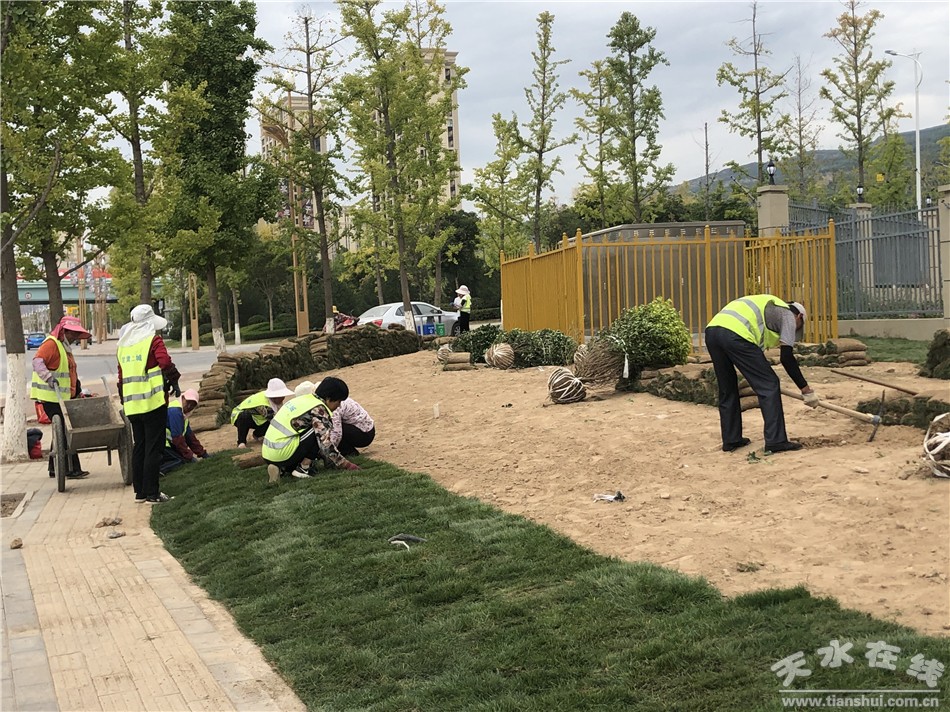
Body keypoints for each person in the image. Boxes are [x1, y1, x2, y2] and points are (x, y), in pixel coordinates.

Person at [705, 295, 819, 453]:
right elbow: (786, 358)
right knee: (769, 384)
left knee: (727, 387)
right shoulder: (788, 315)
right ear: (799, 316)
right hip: (736, 334)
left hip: (712, 332)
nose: (794, 331)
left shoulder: (767, 309)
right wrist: (805, 389)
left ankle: (731, 440)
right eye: (798, 327)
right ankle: (776, 441)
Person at [117, 304, 180, 504]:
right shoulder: (153, 341)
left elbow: (121, 377)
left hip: (132, 406)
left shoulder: (123, 346)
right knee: (154, 447)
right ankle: (153, 493)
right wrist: (174, 379)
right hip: (153, 402)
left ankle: (140, 493)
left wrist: (124, 399)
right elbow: (165, 362)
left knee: (140, 446)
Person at [262, 376, 360, 483]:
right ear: (328, 398)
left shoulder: (303, 400)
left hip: (268, 453)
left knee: (305, 431)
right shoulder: (318, 409)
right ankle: (303, 468)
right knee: (318, 430)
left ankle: (282, 467)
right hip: (283, 452)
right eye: (339, 401)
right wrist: (346, 465)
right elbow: (325, 445)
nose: (339, 406)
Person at [30, 315, 91, 479]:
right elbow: (37, 362)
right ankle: (69, 468)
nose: (74, 337)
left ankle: (55, 467)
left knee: (61, 431)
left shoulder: (64, 347)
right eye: (72, 333)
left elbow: (69, 371)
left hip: (63, 397)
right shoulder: (52, 344)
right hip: (52, 398)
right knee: (65, 430)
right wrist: (49, 378)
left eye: (77, 334)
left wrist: (77, 389)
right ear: (63, 331)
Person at [230, 378, 294, 448]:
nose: (283, 398)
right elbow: (276, 421)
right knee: (244, 416)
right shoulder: (263, 405)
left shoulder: (274, 402)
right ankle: (241, 441)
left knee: (269, 422)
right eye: (281, 396)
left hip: (257, 418)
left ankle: (258, 434)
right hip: (240, 416)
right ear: (274, 397)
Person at [160, 389, 209, 475]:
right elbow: (177, 439)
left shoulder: (183, 417)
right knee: (179, 460)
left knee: (183, 459)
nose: (189, 406)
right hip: (161, 445)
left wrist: (203, 454)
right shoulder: (175, 412)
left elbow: (190, 438)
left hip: (166, 445)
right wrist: (189, 456)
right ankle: (159, 471)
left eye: (192, 405)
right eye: (188, 402)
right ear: (182, 398)